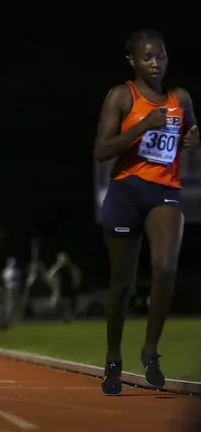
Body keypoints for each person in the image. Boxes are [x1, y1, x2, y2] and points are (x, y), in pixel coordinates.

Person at [94, 28, 199, 396]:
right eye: (148, 57)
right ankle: (112, 360)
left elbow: (189, 134)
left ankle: (151, 351)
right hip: (125, 192)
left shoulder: (180, 98)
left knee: (166, 269)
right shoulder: (122, 96)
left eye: (162, 56)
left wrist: (193, 139)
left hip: (164, 192)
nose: (156, 63)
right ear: (132, 60)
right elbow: (102, 151)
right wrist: (142, 126)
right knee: (121, 285)